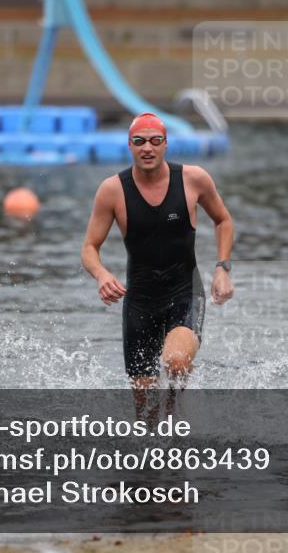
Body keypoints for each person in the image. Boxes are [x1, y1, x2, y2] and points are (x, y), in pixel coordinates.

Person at [81, 112, 234, 417]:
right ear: (129, 145)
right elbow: (89, 247)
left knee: (175, 362)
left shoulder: (193, 179)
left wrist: (222, 268)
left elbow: (223, 220)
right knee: (145, 410)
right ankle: (154, 452)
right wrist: (100, 274)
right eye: (139, 141)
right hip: (140, 302)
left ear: (166, 144)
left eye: (155, 141)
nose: (147, 148)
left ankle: (178, 421)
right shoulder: (112, 190)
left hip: (184, 292)